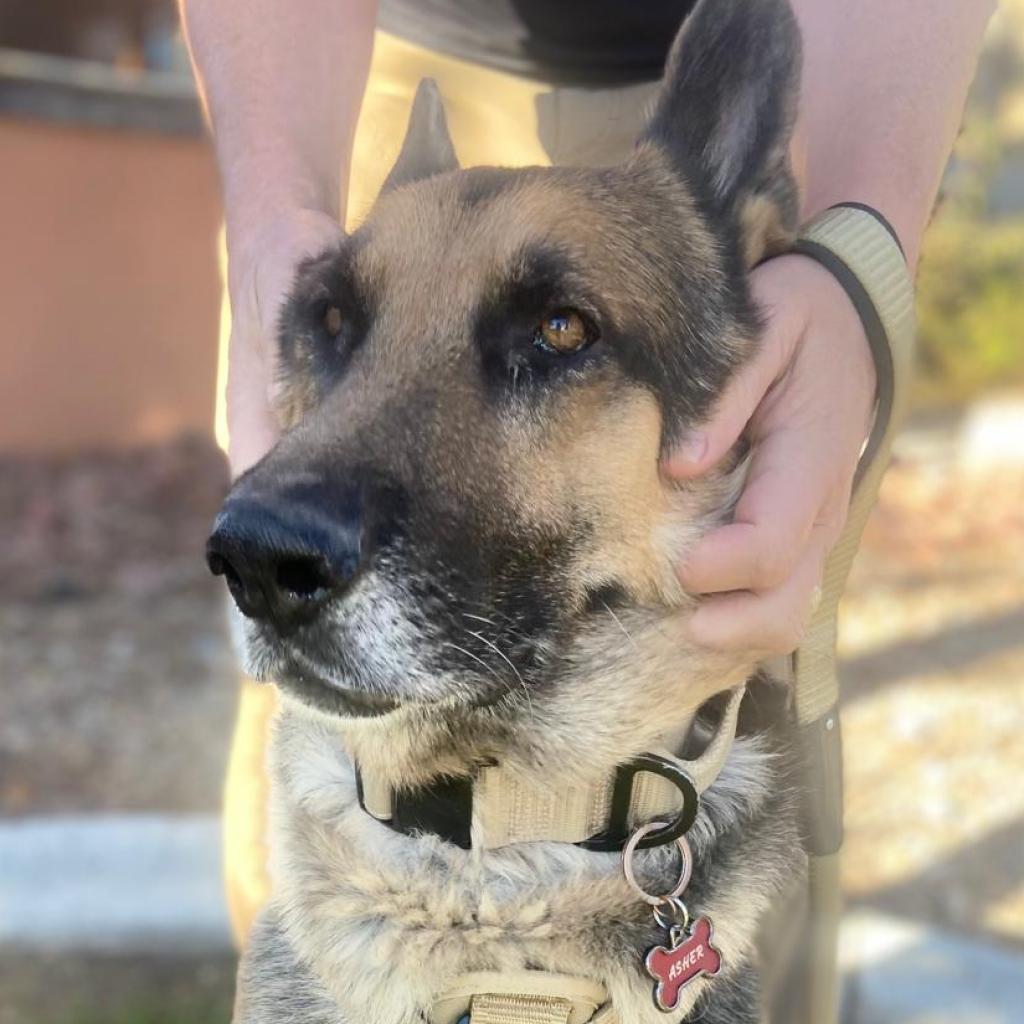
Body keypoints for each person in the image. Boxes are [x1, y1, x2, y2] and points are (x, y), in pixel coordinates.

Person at [178, 0, 994, 938]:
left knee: (754, 699)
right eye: (339, 329)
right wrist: (273, 215)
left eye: (553, 336)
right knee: (283, 855)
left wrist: (857, 258)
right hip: (347, 57)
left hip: (808, 46)